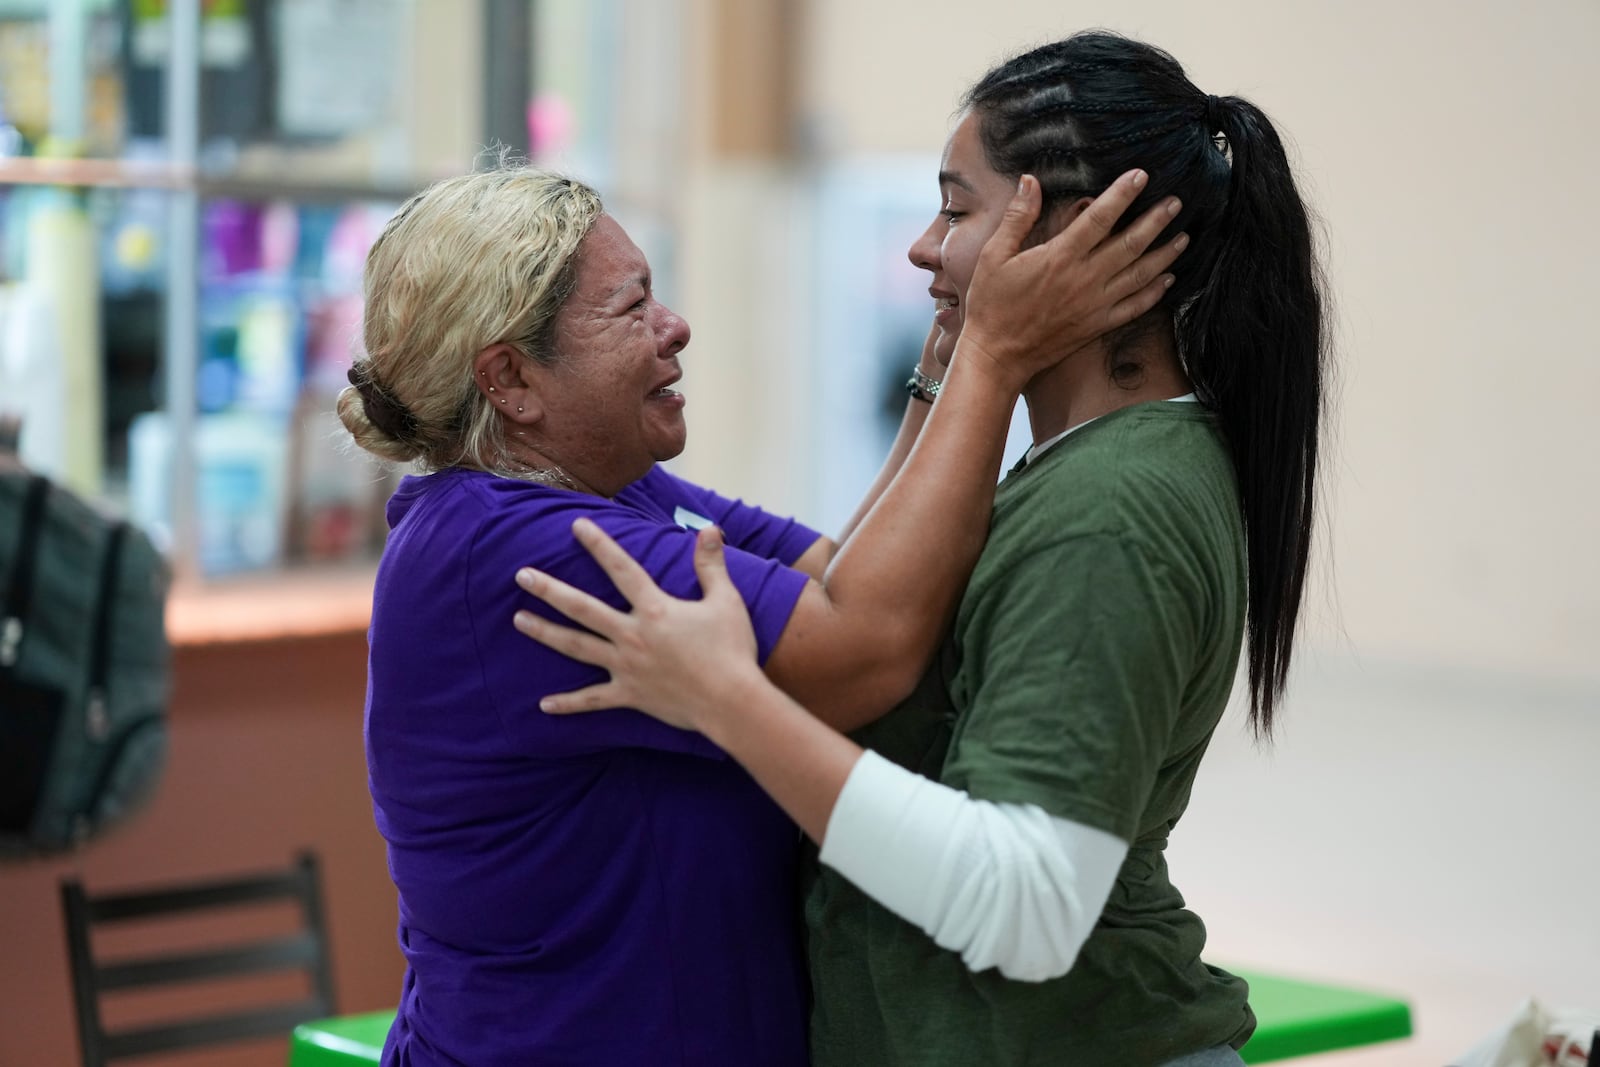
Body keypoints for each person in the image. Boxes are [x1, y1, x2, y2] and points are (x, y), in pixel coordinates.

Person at [511, 30, 1327, 1067]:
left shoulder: (1113, 503)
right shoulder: (1089, 467)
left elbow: (1029, 901)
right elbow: (856, 594)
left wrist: (728, 698)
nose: (922, 246)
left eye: (956, 207)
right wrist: (953, 376)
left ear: (1073, 233)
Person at [338, 161, 1182, 1065]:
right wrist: (995, 358)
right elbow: (865, 650)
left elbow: (841, 578)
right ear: (511, 379)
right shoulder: (510, 547)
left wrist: (938, 382)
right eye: (632, 310)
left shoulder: (623, 492)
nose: (676, 327)